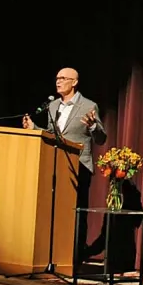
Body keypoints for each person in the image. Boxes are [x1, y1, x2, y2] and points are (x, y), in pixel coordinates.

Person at [23, 67, 107, 266]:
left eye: (63, 78)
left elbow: (101, 139)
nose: (58, 81)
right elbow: (54, 136)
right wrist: (35, 129)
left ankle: (75, 257)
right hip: (54, 165)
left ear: (74, 82)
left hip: (79, 166)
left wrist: (93, 126)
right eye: (57, 78)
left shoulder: (88, 105)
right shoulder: (53, 106)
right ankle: (53, 254)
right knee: (54, 210)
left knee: (76, 212)